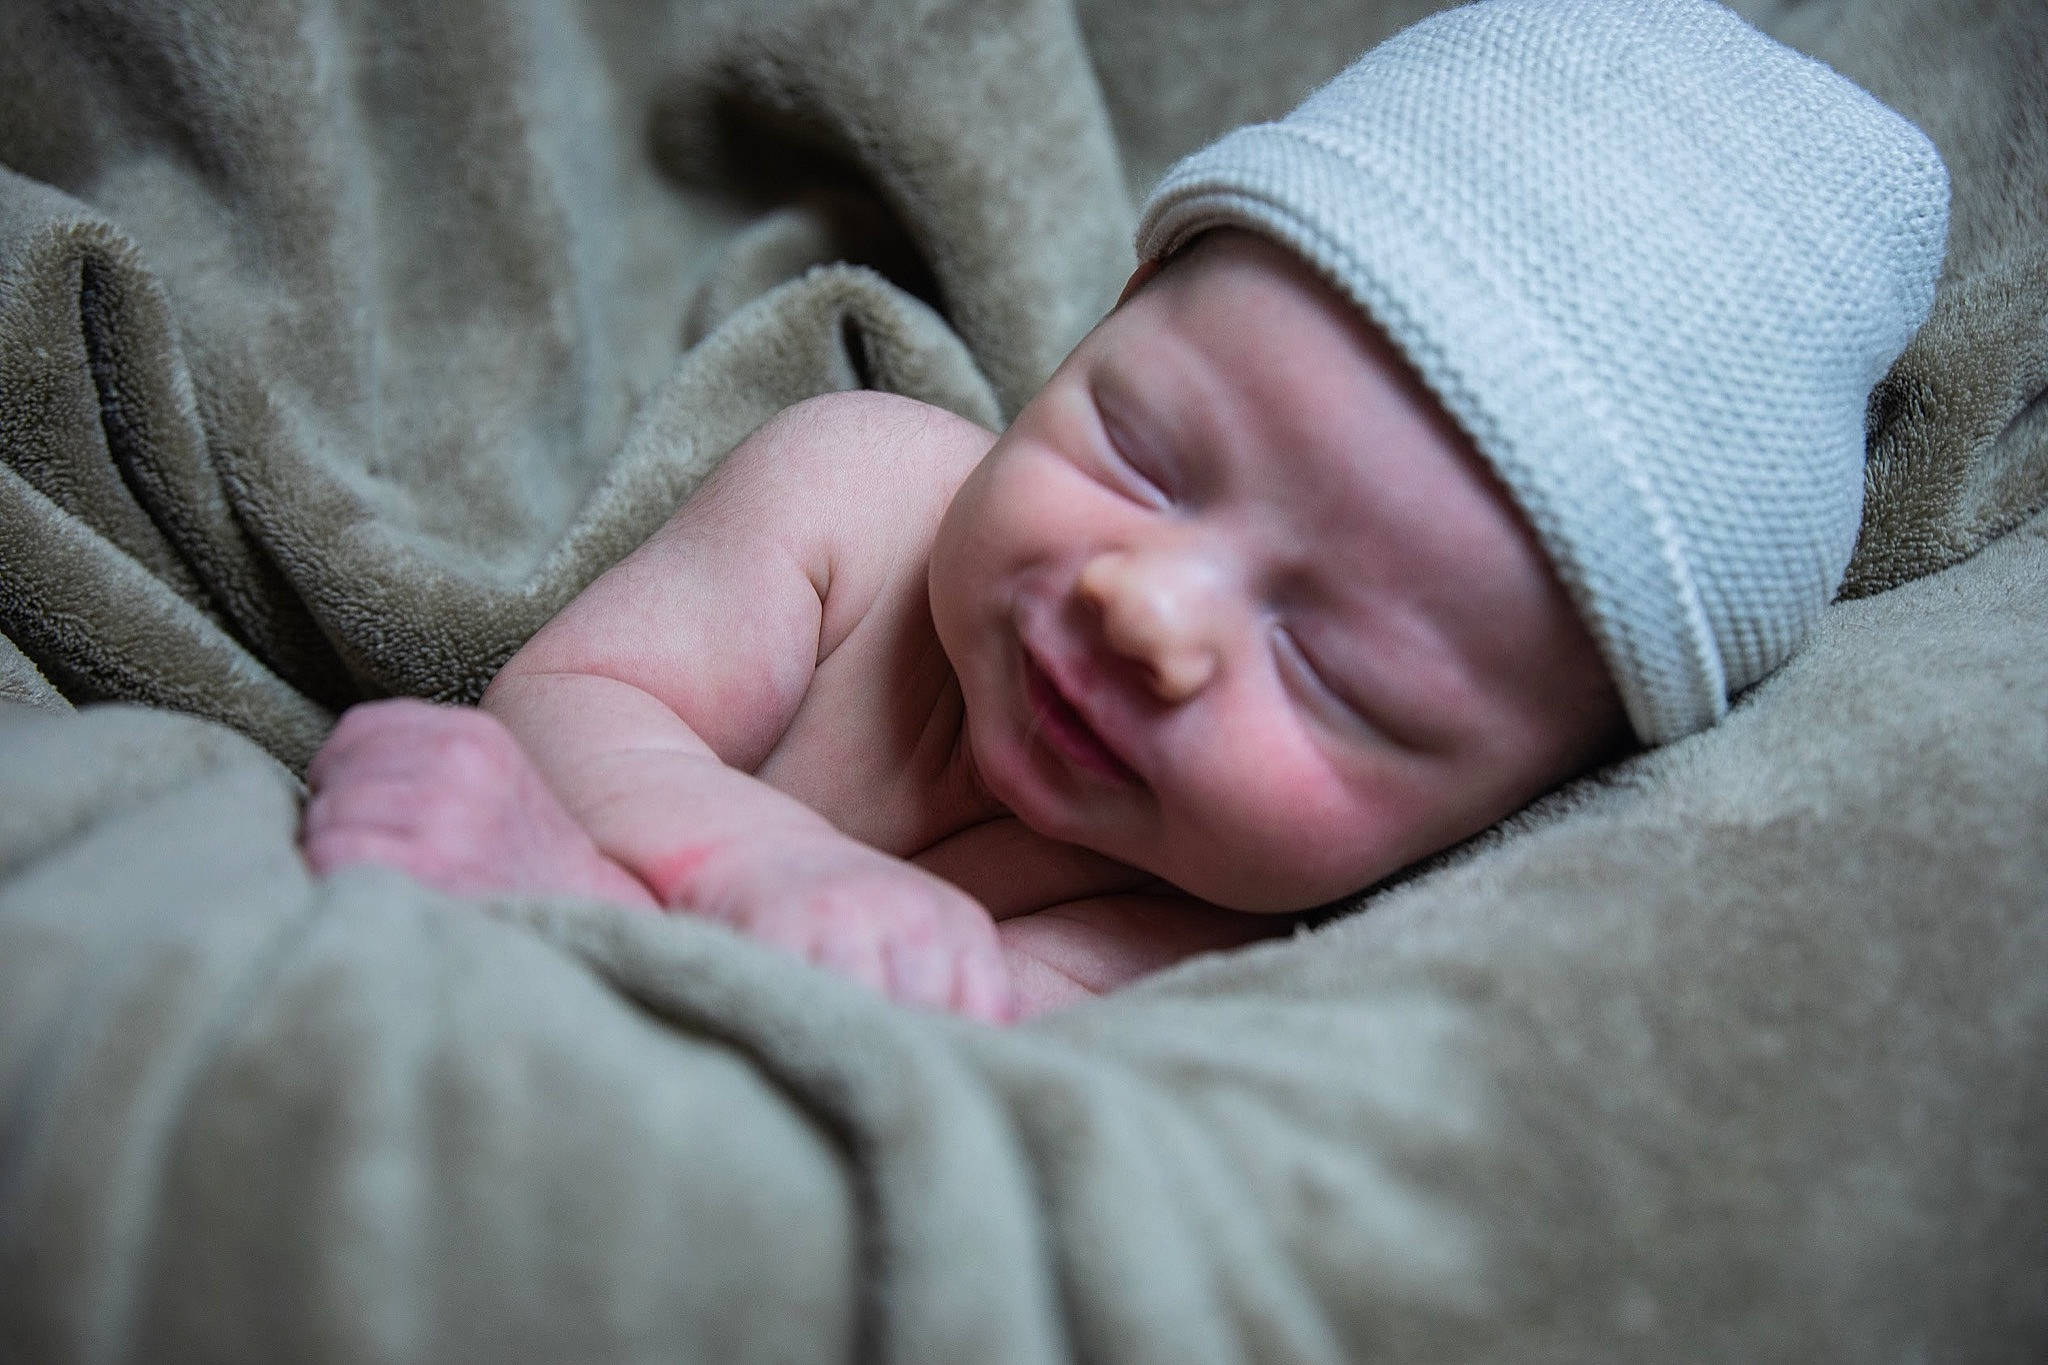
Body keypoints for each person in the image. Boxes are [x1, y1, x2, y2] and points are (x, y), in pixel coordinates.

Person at [299, 0, 1948, 1022]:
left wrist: (613, 900)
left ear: (1503, 805)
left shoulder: (1206, 935)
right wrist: (759, 870)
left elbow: (945, 1045)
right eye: (1144, 454)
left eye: (1335, 674)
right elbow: (568, 700)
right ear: (1106, 317)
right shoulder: (861, 487)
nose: (1148, 613)